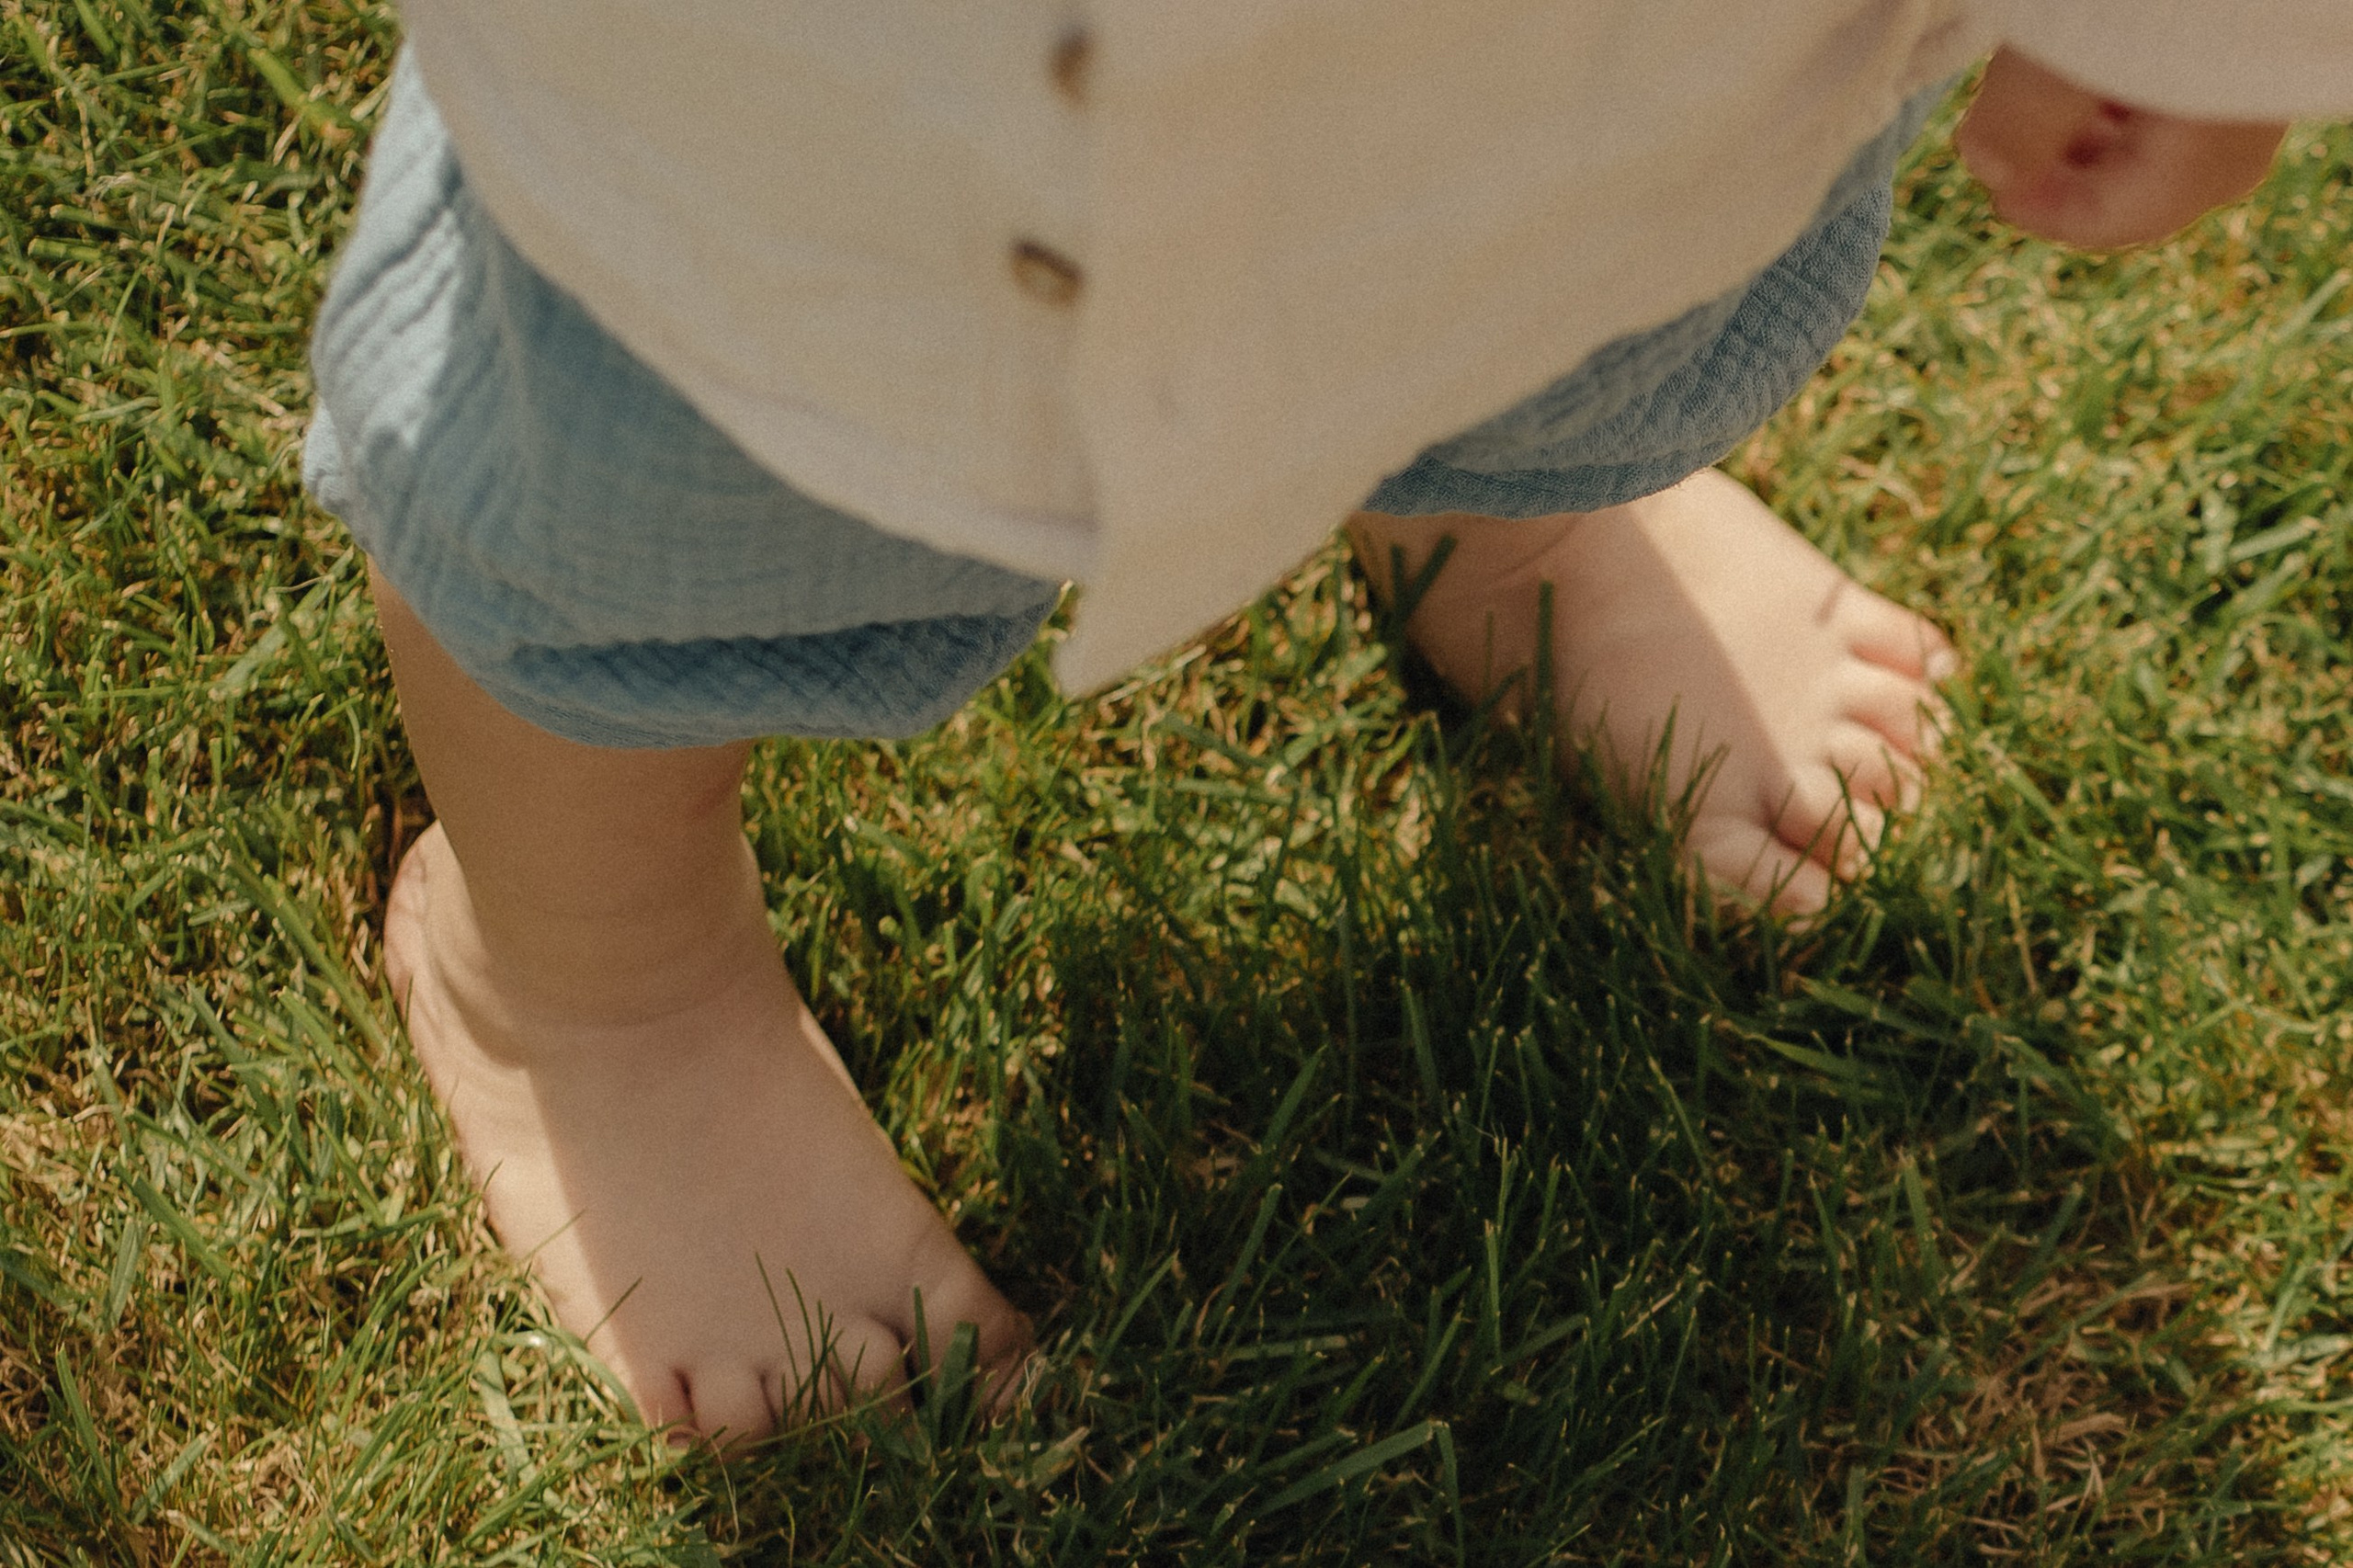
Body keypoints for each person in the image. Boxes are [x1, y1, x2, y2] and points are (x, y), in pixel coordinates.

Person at [299, 2, 2345, 1447]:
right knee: (636, 528)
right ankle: (597, 990)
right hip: (801, 117)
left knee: (1582, 297)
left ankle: (1503, 497)